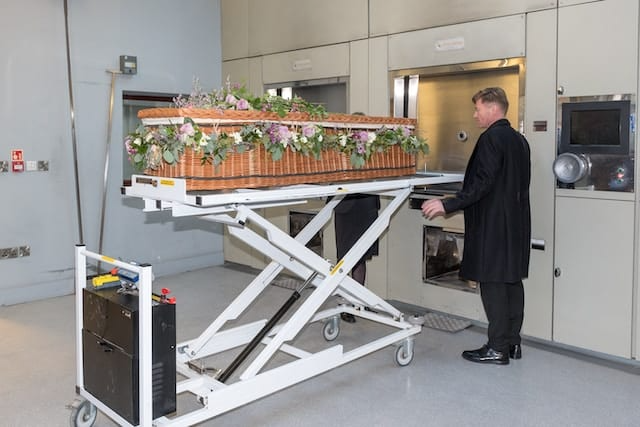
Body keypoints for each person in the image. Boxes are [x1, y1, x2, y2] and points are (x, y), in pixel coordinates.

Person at [421, 87, 531, 365]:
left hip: (493, 223)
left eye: (478, 109)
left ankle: (496, 348)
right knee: (511, 281)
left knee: (493, 282)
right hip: (516, 223)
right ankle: (512, 343)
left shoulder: (491, 139)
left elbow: (483, 183)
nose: (475, 115)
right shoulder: (519, 140)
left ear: (493, 109)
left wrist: (448, 204)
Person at [334, 193, 380, 323]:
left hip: (367, 204)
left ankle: (358, 302)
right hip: (346, 205)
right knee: (344, 258)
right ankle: (343, 305)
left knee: (362, 256)